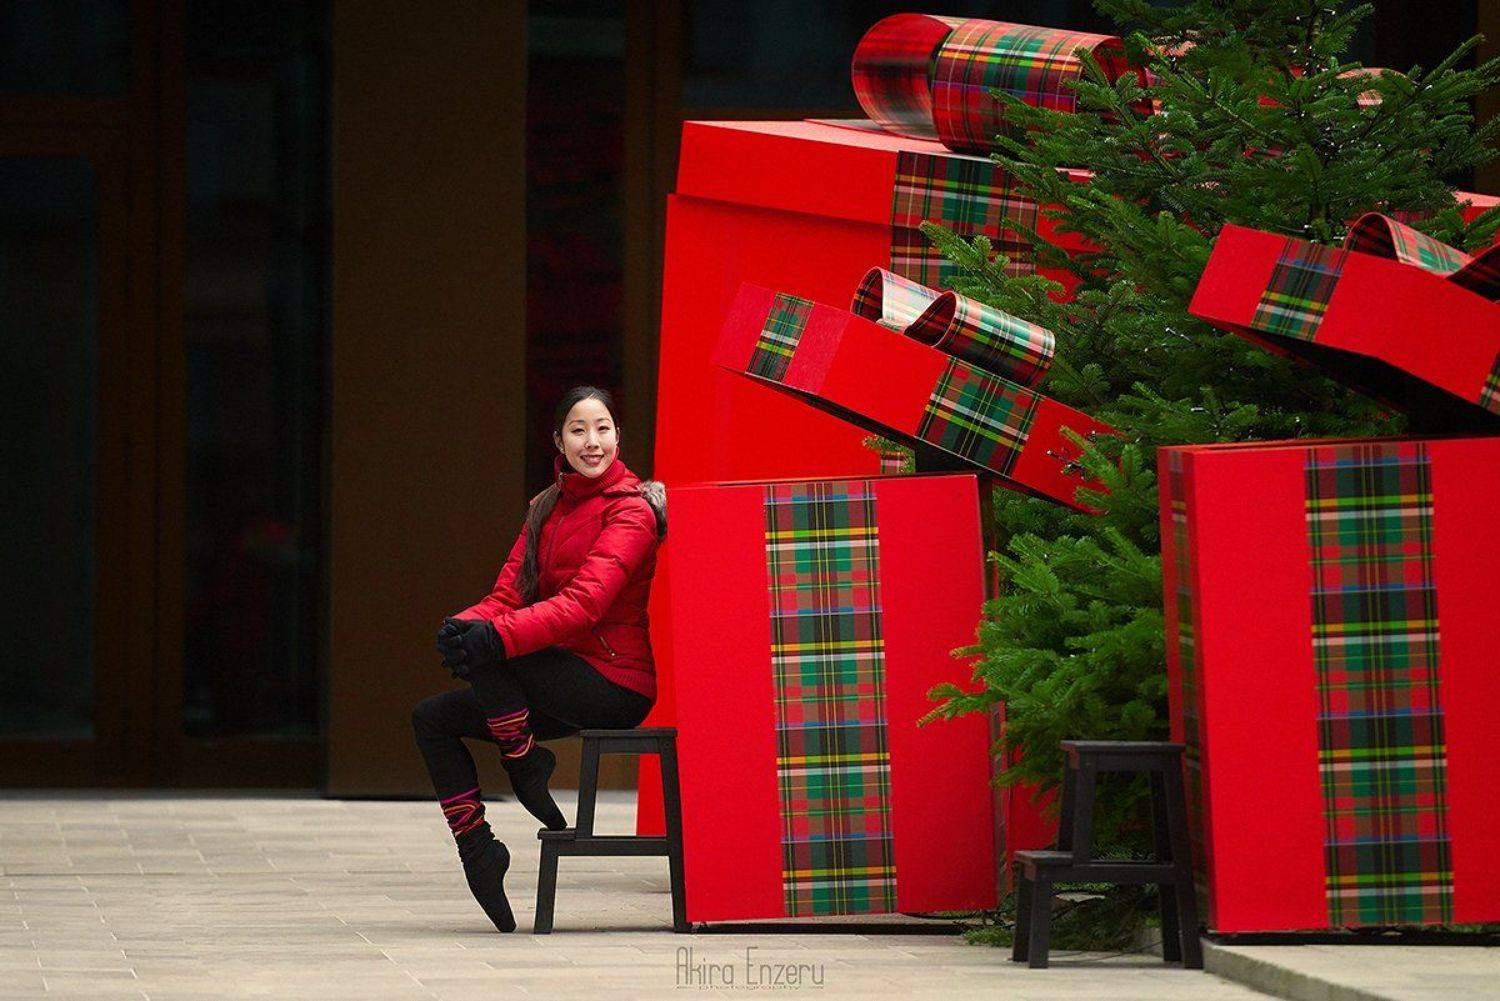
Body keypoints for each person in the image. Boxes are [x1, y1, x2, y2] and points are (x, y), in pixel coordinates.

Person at [410, 385, 665, 933]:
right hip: (549, 680)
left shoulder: (633, 511)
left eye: (602, 429)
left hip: (613, 682)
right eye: (578, 430)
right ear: (559, 440)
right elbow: (508, 596)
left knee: (494, 650)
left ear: (618, 436)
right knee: (431, 718)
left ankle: (524, 762)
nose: (591, 442)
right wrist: (461, 627)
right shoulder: (544, 508)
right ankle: (480, 851)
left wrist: (489, 640)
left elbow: (584, 605)